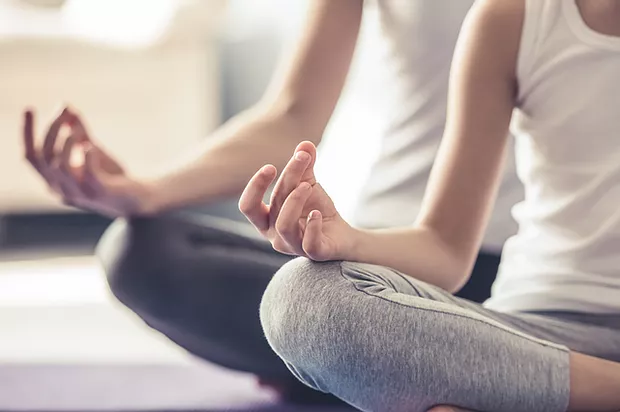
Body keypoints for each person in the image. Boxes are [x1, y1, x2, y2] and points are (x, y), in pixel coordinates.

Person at [20, 0, 522, 405]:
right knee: (141, 251)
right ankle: (363, 369)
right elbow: (293, 114)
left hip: (511, 274)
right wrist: (145, 191)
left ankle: (348, 372)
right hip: (373, 258)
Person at [240, 0, 620, 410]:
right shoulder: (511, 19)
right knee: (303, 297)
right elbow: (444, 248)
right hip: (536, 330)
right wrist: (346, 239)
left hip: (544, 361)